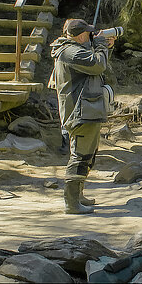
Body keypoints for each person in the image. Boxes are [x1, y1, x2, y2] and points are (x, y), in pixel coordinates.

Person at [50, 18, 114, 214]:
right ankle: (71, 203)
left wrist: (102, 46)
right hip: (79, 111)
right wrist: (101, 45)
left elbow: (94, 67)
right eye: (88, 34)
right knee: (80, 156)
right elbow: (97, 65)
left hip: (86, 109)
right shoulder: (70, 52)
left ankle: (78, 196)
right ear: (79, 36)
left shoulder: (75, 49)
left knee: (88, 155)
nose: (92, 36)